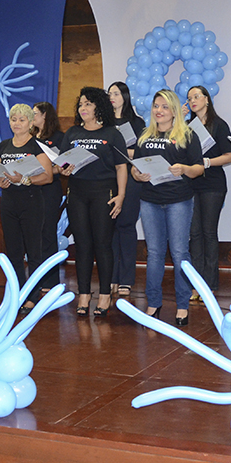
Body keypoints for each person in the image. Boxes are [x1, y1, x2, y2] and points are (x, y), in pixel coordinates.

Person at [132, 90, 204, 325]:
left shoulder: (188, 135)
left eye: (164, 106)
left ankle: (183, 305)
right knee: (154, 253)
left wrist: (184, 169)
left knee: (180, 252)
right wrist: (137, 174)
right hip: (149, 200)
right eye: (156, 106)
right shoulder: (144, 136)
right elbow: (135, 167)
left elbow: (199, 168)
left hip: (178, 200)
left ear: (174, 111)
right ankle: (153, 303)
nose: (159, 111)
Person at [58, 87, 127, 317]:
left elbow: (121, 167)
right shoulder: (72, 133)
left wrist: (121, 195)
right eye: (80, 104)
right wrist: (63, 169)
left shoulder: (112, 133)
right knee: (83, 245)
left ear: (99, 106)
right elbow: (62, 164)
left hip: (104, 192)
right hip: (77, 192)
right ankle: (84, 294)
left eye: (88, 103)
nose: (83, 108)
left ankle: (105, 294)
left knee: (102, 244)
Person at [0, 104, 54, 312]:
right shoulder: (3, 146)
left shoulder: (37, 146)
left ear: (30, 123)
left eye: (21, 119)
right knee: (13, 252)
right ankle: (17, 292)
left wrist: (24, 179)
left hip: (31, 202)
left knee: (34, 252)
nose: (16, 123)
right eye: (13, 119)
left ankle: (33, 295)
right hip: (9, 203)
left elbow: (48, 176)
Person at [185, 85, 231, 301]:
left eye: (196, 96)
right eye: (189, 98)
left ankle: (210, 284)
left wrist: (207, 162)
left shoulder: (219, 125)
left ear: (207, 99)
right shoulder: (187, 127)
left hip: (213, 185)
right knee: (194, 233)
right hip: (191, 184)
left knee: (208, 232)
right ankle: (196, 284)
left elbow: (230, 156)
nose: (193, 101)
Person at [109, 81, 146, 299]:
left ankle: (126, 279)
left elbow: (142, 152)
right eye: (109, 94)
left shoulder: (136, 122)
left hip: (131, 178)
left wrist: (122, 151)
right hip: (108, 178)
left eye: (116, 93)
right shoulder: (103, 122)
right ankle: (112, 276)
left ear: (125, 96)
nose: (112, 97)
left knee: (126, 226)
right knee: (110, 228)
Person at [31, 101, 65, 297]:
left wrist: (48, 170)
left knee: (48, 233)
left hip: (50, 189)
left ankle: (50, 280)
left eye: (35, 113)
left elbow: (65, 164)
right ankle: (35, 278)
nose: (32, 116)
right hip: (31, 189)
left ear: (45, 115)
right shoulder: (29, 137)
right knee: (33, 233)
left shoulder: (58, 137)